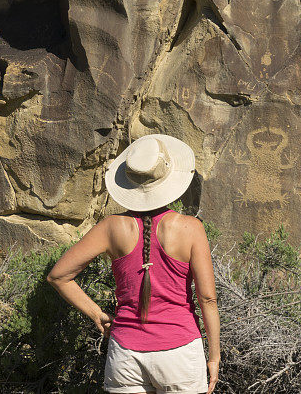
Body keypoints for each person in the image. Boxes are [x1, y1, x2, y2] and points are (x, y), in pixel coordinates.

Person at [46, 134, 220, 393]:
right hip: (180, 352)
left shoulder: (110, 227)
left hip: (125, 353)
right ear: (169, 177)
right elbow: (207, 298)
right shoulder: (190, 228)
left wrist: (98, 315)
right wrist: (214, 356)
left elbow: (58, 276)